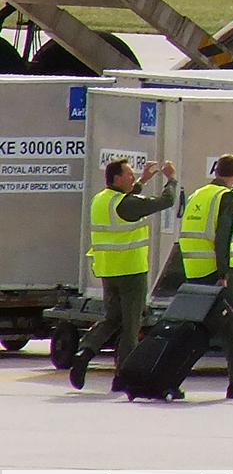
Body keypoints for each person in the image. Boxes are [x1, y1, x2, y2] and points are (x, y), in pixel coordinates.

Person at [70, 156, 176, 391]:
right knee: (130, 326)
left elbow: (125, 201)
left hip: (108, 269)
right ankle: (123, 376)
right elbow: (165, 202)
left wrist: (143, 180)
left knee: (111, 319)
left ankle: (84, 351)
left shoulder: (102, 199)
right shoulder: (126, 204)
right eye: (128, 174)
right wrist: (172, 179)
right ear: (117, 178)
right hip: (131, 271)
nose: (132, 177)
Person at [178, 154, 233, 399]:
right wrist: (223, 274)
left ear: (216, 171)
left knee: (194, 330)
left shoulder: (197, 195)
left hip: (193, 269)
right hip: (217, 271)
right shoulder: (227, 197)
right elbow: (222, 238)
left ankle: (169, 376)